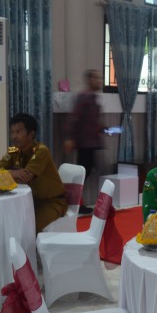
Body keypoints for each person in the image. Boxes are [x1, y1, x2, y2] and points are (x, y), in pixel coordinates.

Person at [0, 113, 67, 233]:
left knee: (26, 228)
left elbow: (24, 178)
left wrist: (7, 174)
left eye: (18, 132)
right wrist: (13, 173)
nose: (14, 136)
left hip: (52, 203)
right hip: (29, 201)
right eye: (12, 132)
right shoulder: (14, 151)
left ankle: (30, 246)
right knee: (4, 220)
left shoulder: (41, 151)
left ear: (31, 134)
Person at [64, 69, 105, 215]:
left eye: (100, 78)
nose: (99, 81)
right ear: (89, 80)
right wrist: (70, 137)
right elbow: (74, 118)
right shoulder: (84, 96)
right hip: (84, 142)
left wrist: (103, 129)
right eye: (96, 78)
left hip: (91, 142)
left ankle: (75, 202)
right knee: (82, 173)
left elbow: (91, 121)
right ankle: (74, 202)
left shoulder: (93, 97)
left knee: (86, 171)